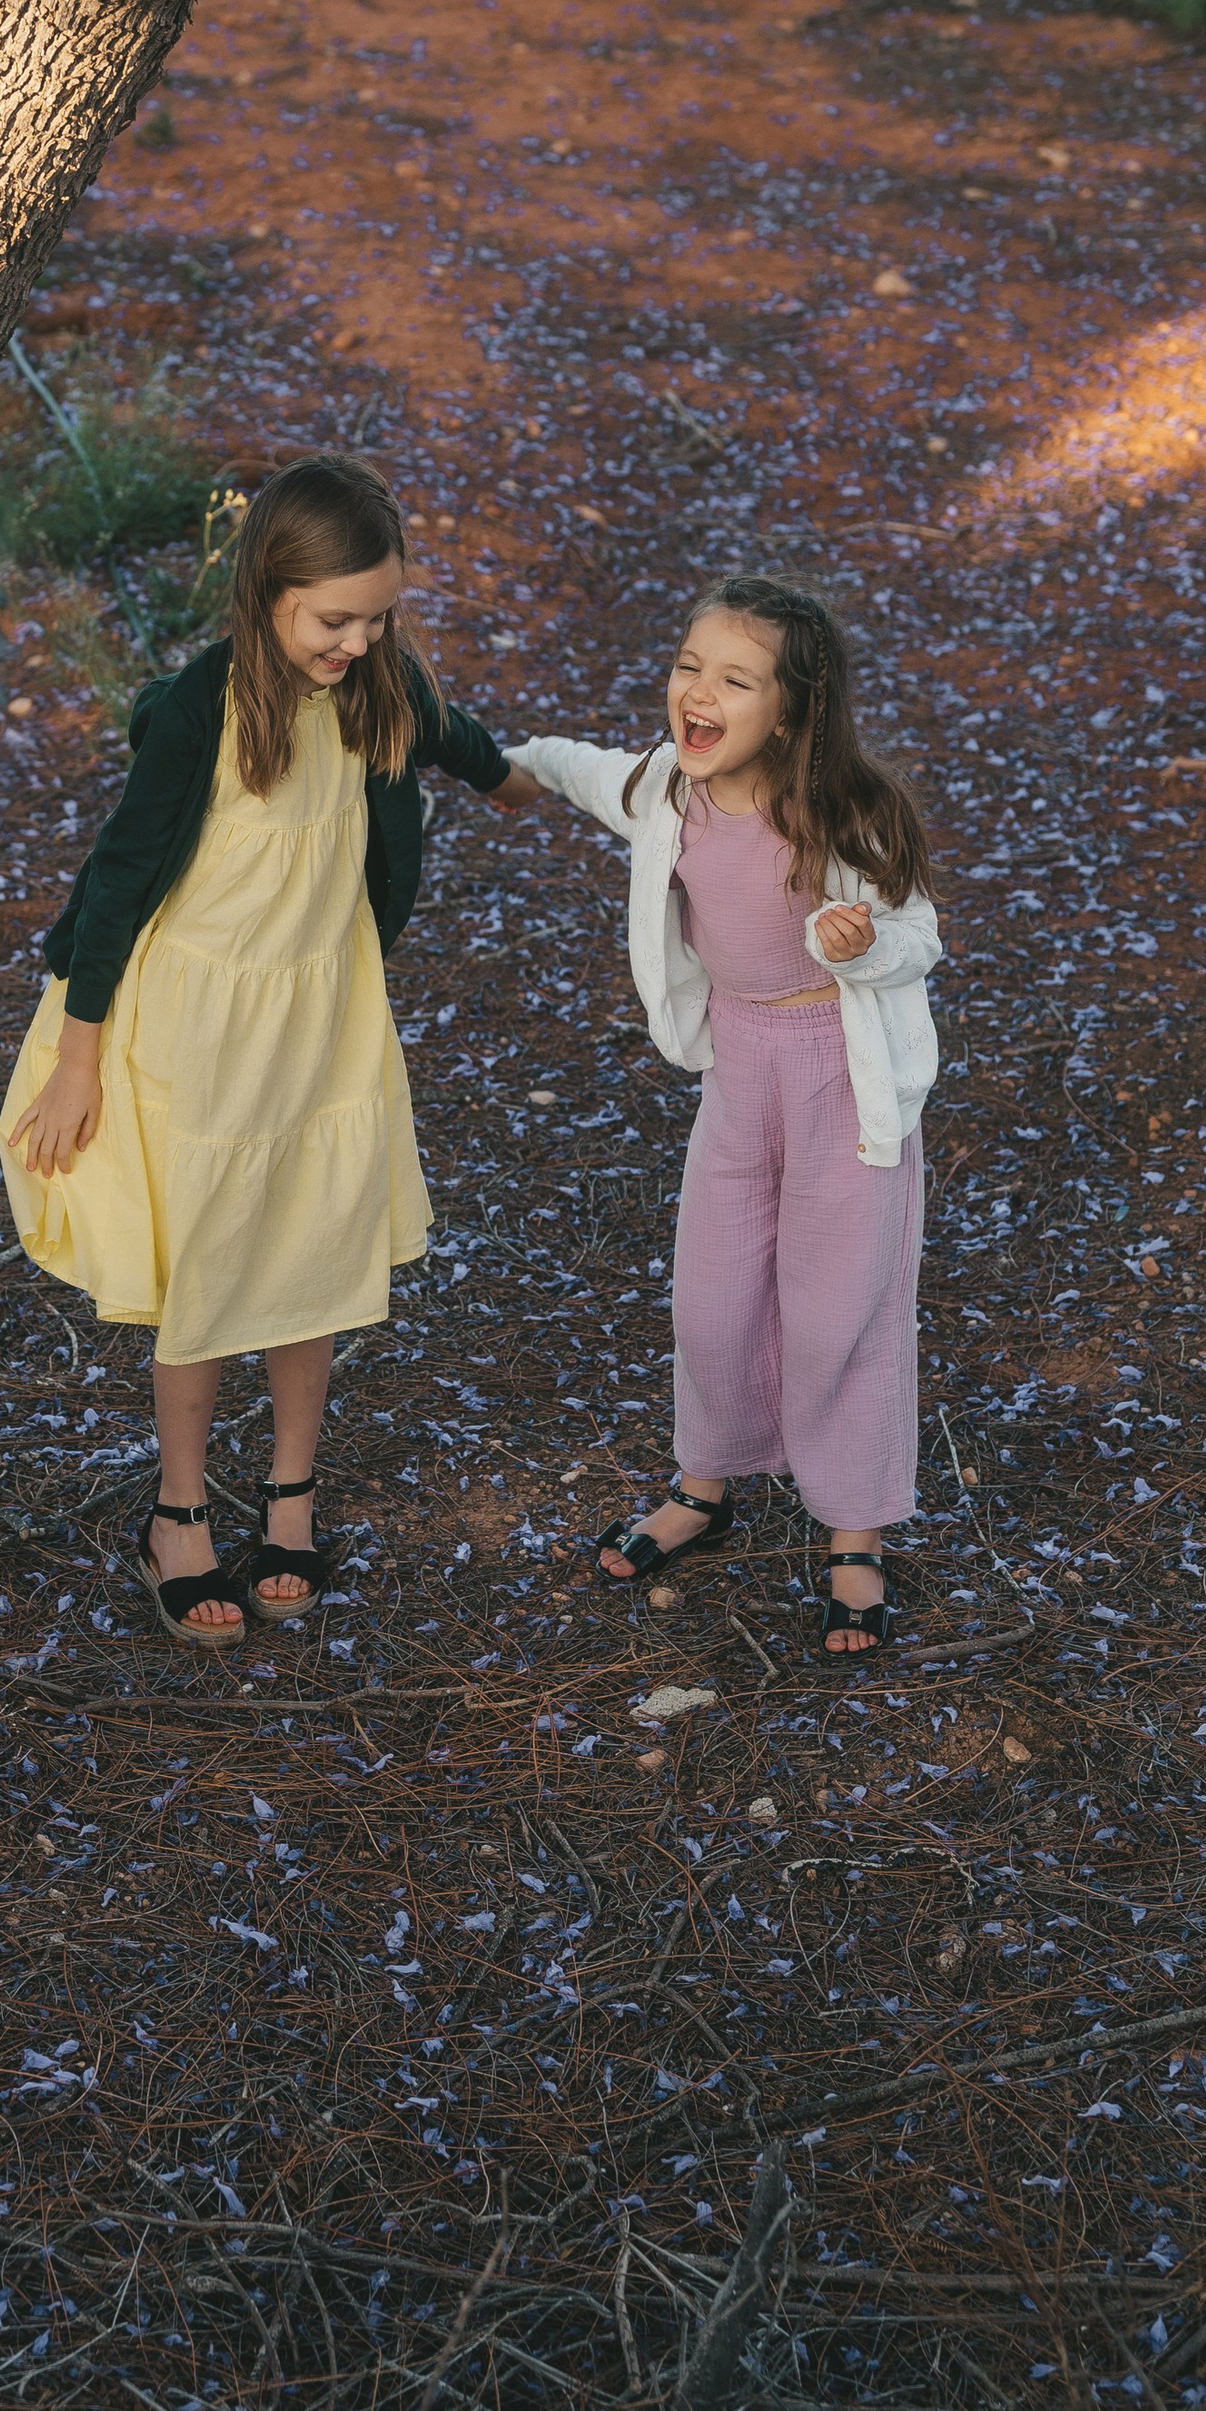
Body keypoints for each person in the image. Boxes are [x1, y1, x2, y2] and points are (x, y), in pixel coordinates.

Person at [0, 455, 521, 1647]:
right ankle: (177, 1511)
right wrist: (77, 1059)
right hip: (197, 1035)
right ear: (267, 592)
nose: (359, 640)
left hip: (319, 1025)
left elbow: (480, 756)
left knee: (309, 1250)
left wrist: (602, 789)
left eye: (378, 616)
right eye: (334, 619)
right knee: (208, 1263)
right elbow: (117, 880)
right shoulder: (199, 713)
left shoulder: (382, 690)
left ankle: (292, 1496)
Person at [508, 578, 941, 1662]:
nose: (698, 693)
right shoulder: (667, 786)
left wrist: (863, 947)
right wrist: (505, 759)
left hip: (838, 1078)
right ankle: (705, 1486)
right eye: (688, 667)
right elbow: (580, 768)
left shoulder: (842, 815)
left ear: (791, 714)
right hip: (740, 1074)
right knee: (713, 1295)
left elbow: (917, 936)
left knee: (840, 1307)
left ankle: (854, 1533)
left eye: (736, 681)